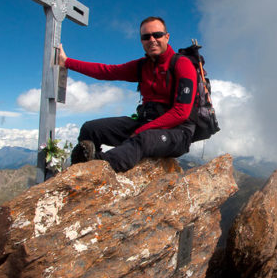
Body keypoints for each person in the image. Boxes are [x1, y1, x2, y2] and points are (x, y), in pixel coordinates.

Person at [58, 16, 197, 173]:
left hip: (177, 132)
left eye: (157, 34)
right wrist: (67, 62)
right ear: (141, 41)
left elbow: (181, 113)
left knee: (143, 139)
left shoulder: (182, 64)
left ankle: (95, 170)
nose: (152, 40)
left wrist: (141, 130)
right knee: (91, 129)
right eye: (146, 37)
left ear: (167, 36)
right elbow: (106, 71)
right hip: (145, 122)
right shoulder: (142, 67)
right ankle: (82, 165)